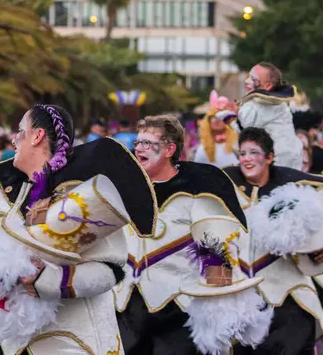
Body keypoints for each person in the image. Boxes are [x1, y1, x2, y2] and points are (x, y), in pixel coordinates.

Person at [0, 105, 158, 354]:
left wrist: (45, 279)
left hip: (75, 344)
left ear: (37, 136)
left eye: (20, 131)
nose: (14, 139)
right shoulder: (11, 197)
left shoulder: (82, 193)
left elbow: (109, 271)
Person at [114, 115, 270, 355]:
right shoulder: (124, 187)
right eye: (138, 143)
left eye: (148, 143)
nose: (140, 149)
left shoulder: (200, 188)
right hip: (129, 308)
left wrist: (221, 306)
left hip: (179, 308)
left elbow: (219, 250)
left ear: (169, 149)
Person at [223, 127, 323, 354]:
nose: (246, 159)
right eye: (242, 153)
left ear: (270, 157)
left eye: (254, 152)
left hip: (289, 296)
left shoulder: (293, 186)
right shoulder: (225, 185)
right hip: (241, 299)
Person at [217, 62, 303, 170]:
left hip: (277, 162)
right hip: (288, 158)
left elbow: (246, 127)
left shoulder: (260, 104)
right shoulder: (279, 104)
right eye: (248, 76)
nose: (246, 81)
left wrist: (227, 114)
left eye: (253, 79)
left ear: (268, 86)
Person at [193, 90, 238, 167]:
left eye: (220, 116)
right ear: (208, 122)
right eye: (213, 117)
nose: (216, 120)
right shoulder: (203, 149)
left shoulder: (236, 145)